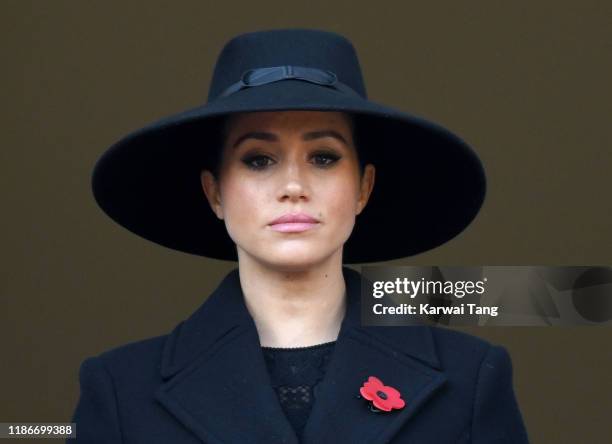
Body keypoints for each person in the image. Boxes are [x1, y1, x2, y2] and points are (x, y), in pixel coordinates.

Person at [69, 29, 529, 443]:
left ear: (363, 188)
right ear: (215, 193)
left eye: (324, 157)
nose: (293, 186)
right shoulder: (119, 392)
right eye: (258, 159)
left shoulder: (469, 378)